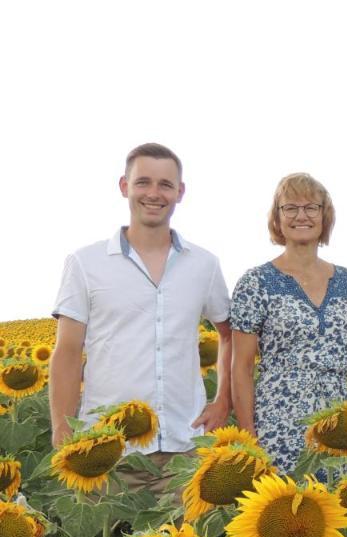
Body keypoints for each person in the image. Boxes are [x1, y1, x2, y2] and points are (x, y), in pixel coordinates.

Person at [49, 142, 232, 492]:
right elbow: (68, 352)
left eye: (165, 185)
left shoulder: (204, 265)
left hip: (186, 448)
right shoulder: (86, 263)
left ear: (180, 192)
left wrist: (223, 399)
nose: (154, 193)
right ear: (124, 186)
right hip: (107, 451)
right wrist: (61, 427)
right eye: (143, 182)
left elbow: (228, 333)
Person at [230, 173, 347, 472]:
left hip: (336, 424)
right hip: (277, 424)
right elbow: (242, 367)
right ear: (277, 219)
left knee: (339, 513)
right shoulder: (256, 282)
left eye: (311, 207)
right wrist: (249, 434)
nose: (301, 215)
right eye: (290, 208)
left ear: (324, 217)